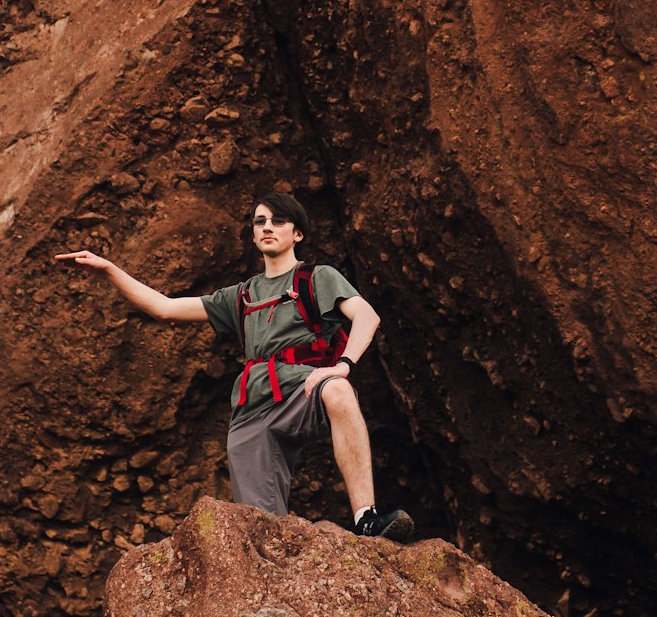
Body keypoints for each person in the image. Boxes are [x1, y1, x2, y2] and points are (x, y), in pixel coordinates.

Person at [56, 192, 414, 540]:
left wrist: (344, 365)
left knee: (338, 390)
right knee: (261, 530)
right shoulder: (241, 295)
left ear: (297, 233)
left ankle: (365, 518)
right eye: (260, 222)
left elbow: (366, 316)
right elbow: (164, 308)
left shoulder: (317, 277)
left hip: (300, 393)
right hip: (251, 411)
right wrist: (108, 269)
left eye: (278, 220)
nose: (267, 227)